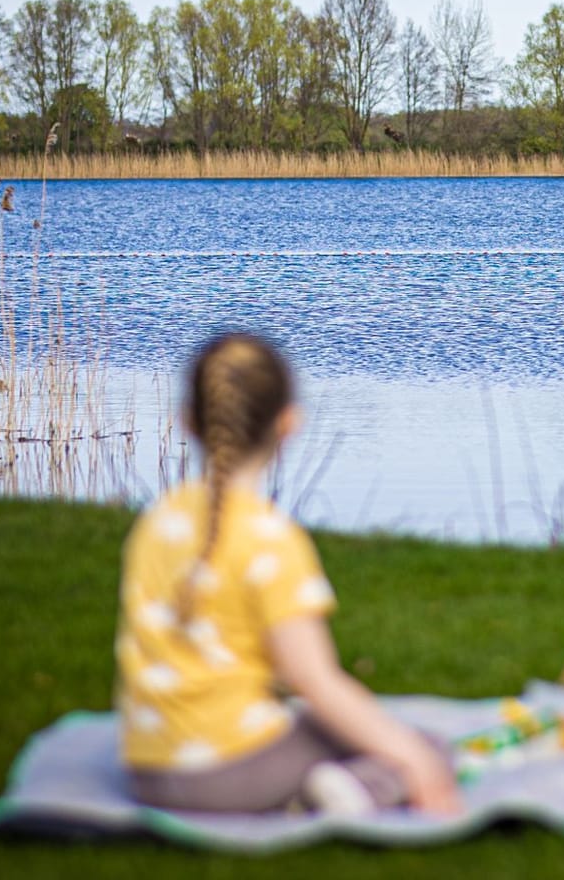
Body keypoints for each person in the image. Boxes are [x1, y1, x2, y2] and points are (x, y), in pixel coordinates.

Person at [115, 333, 458, 815]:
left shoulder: (156, 522)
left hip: (146, 770)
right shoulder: (271, 540)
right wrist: (414, 758)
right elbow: (315, 681)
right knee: (423, 748)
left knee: (350, 734)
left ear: (188, 421)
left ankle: (323, 785)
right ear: (289, 423)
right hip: (227, 775)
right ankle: (351, 792)